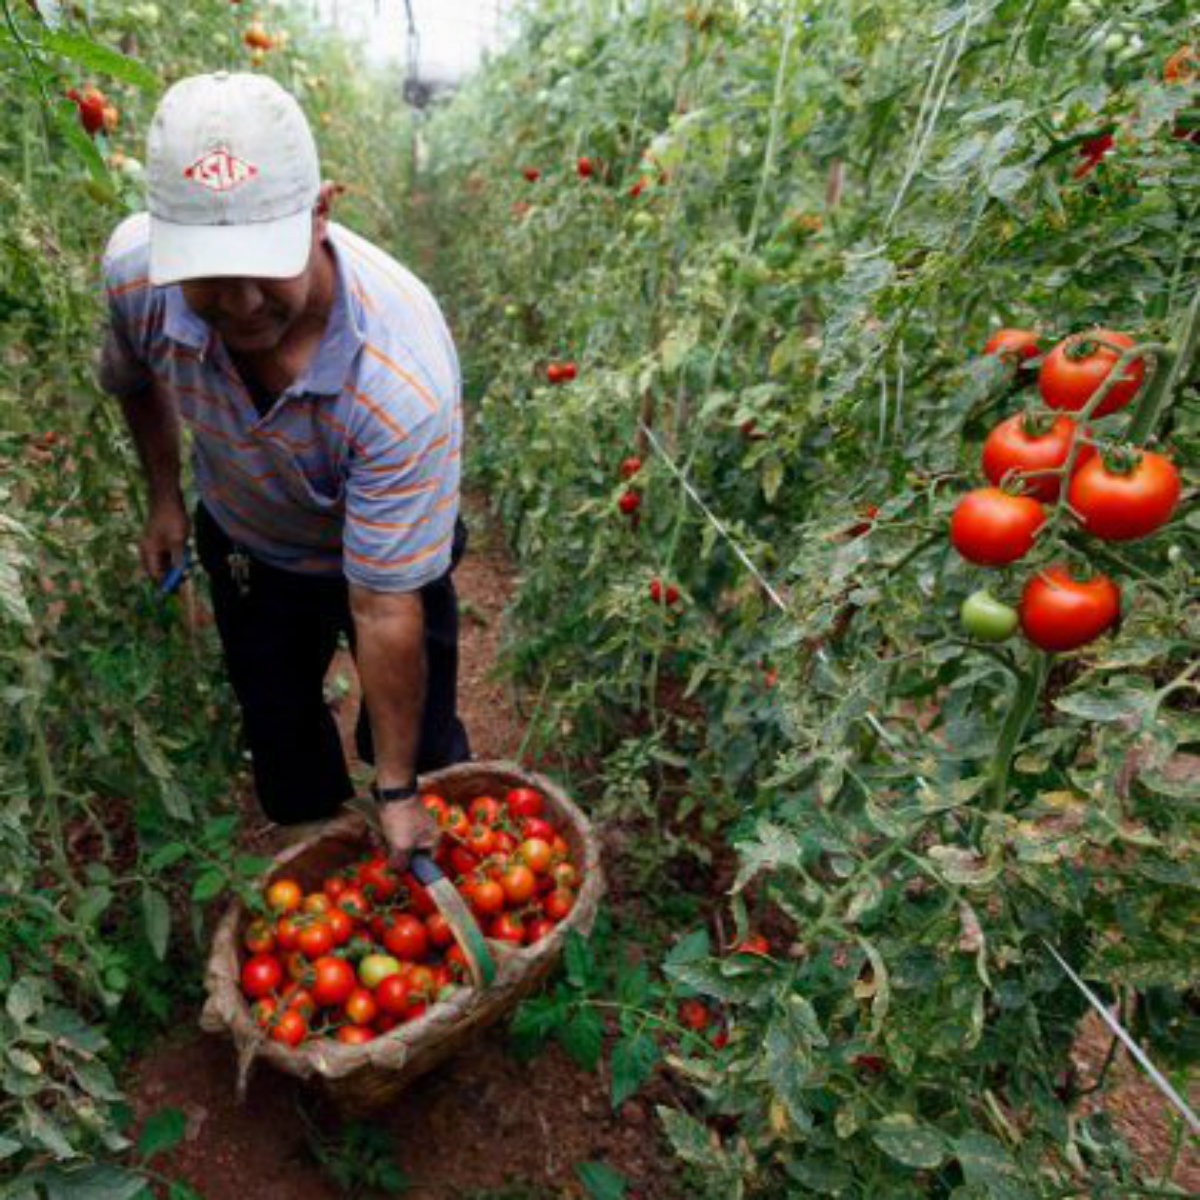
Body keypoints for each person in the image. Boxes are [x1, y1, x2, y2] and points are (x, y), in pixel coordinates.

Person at [97, 71, 470, 867]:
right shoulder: (138, 279)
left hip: (384, 567)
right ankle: (323, 861)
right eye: (206, 271)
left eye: (261, 264)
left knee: (424, 750)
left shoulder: (401, 377)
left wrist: (398, 790)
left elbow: (382, 604)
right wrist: (165, 496)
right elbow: (133, 381)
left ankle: (418, 821)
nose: (237, 302)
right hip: (250, 543)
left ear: (321, 212)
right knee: (284, 736)